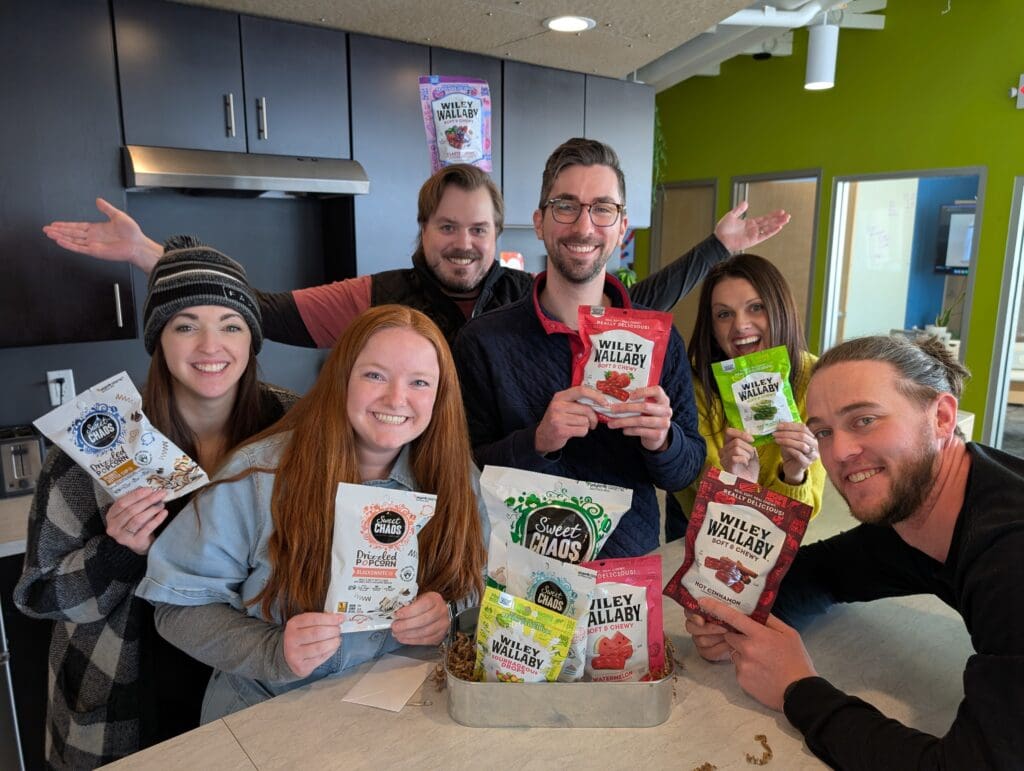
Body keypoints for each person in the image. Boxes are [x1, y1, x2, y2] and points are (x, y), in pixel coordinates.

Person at [14, 238, 296, 769]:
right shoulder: (90, 450)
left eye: (231, 325)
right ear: (158, 339)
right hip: (127, 692)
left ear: (253, 339)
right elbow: (42, 596)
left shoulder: (295, 428)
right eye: (186, 325)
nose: (211, 345)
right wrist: (117, 552)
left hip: (253, 677)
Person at [685, 334, 1024, 769]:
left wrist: (797, 687)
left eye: (864, 420)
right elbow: (823, 573)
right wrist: (733, 619)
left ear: (941, 417)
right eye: (823, 431)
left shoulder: (1010, 557)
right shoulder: (919, 514)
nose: (839, 451)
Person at [135, 305, 487, 721]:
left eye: (420, 382)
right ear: (341, 378)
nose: (397, 398)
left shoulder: (457, 477)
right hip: (267, 711)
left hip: (400, 712)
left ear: (440, 395)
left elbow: (480, 582)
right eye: (374, 375)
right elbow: (178, 607)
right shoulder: (258, 476)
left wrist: (446, 614)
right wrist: (272, 650)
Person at [41, 165, 790, 347]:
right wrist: (151, 253)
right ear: (425, 229)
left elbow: (640, 303)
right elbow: (261, 311)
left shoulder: (531, 295)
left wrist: (717, 248)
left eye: (479, 230)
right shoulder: (379, 293)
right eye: (449, 228)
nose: (465, 243)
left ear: (503, 235)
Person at [453, 138, 706, 557]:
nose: (584, 227)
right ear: (539, 222)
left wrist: (663, 439)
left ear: (622, 226)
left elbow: (685, 471)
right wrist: (539, 440)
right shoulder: (484, 341)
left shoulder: (659, 339)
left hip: (624, 576)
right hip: (522, 572)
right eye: (566, 206)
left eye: (603, 208)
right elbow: (464, 467)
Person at [668, 253, 825, 539]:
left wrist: (794, 475)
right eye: (724, 314)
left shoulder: (814, 378)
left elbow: (800, 518)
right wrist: (734, 482)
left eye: (756, 308)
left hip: (780, 537)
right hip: (702, 533)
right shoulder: (694, 387)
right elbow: (698, 506)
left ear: (780, 309)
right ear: (712, 327)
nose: (740, 326)